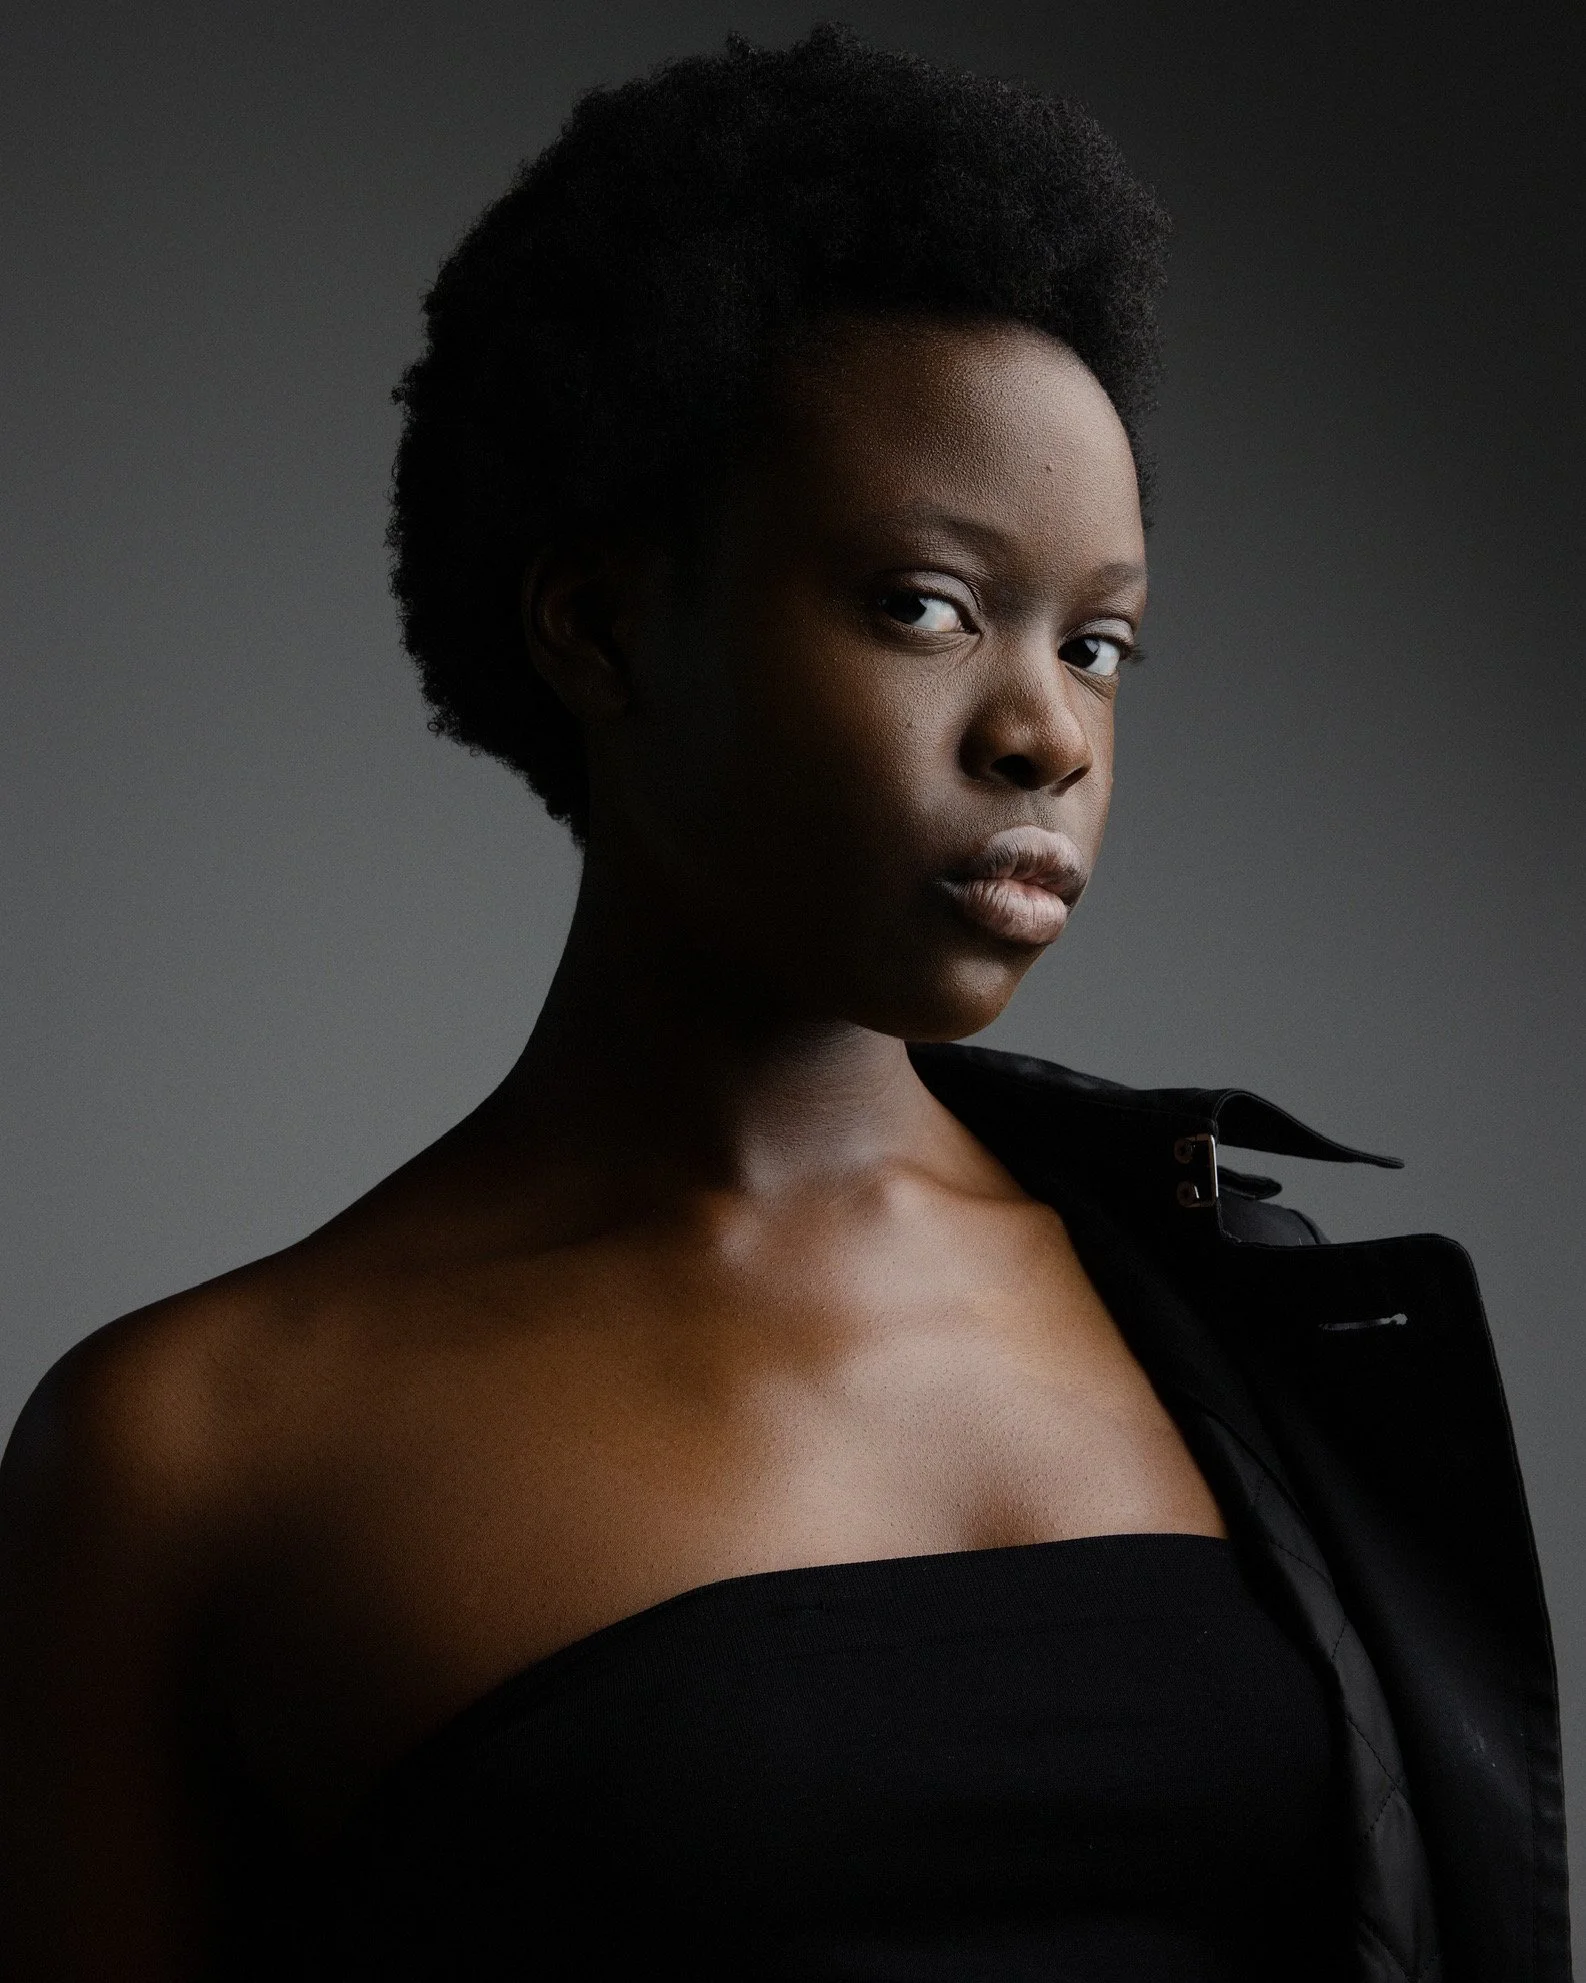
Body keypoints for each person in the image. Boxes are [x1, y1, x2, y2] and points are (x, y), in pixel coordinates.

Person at [0, 25, 1567, 1982]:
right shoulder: (192, 1451)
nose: (1044, 730)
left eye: (1101, 641)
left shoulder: (1242, 1302)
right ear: (597, 621)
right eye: (926, 601)